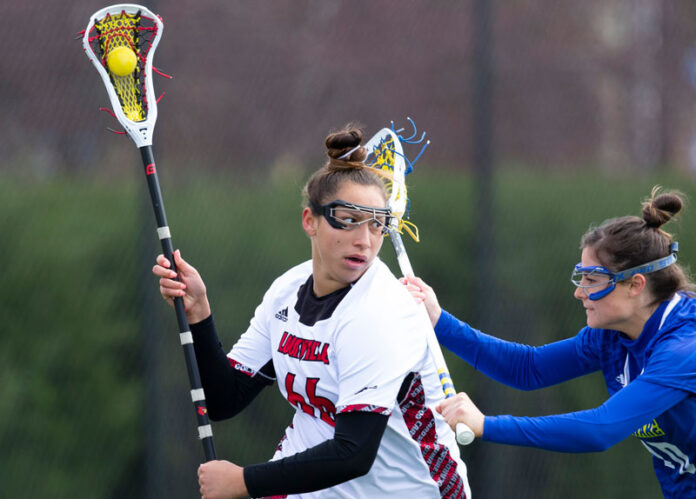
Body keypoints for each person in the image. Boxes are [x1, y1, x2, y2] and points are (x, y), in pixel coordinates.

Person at [153, 126, 471, 499]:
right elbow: (225, 397)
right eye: (348, 219)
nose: (364, 240)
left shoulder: (380, 314)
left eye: (377, 223)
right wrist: (199, 313)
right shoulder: (287, 292)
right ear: (310, 221)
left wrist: (243, 482)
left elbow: (354, 453)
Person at [403, 187, 696, 498]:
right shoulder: (612, 336)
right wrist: (438, 320)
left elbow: (601, 429)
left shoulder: (683, 349)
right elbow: (528, 369)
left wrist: (487, 425)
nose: (579, 292)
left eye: (593, 280)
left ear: (636, 285)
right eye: (580, 278)